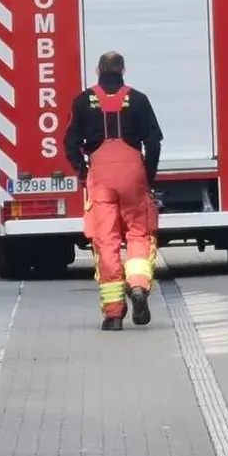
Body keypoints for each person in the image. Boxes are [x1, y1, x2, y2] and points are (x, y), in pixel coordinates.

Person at [63, 52, 163, 331]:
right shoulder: (139, 99)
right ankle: (139, 286)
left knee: (106, 242)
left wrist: (83, 172)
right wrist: (148, 175)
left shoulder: (82, 100)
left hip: (100, 174)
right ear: (123, 70)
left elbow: (69, 143)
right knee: (138, 234)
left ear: (98, 71)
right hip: (133, 173)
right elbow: (153, 141)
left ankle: (114, 314)